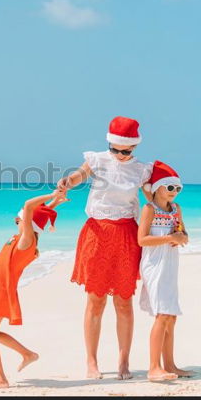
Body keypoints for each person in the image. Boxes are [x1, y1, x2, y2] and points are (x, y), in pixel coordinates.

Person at [57, 116, 154, 380]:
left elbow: (153, 200)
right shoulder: (98, 160)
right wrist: (69, 181)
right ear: (109, 144)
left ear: (134, 147)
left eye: (126, 151)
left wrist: (172, 222)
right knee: (96, 300)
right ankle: (91, 361)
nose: (120, 155)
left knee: (123, 301)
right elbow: (80, 175)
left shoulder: (142, 170)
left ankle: (124, 362)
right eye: (115, 149)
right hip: (97, 233)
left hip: (126, 234)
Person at [0, 189, 68, 389]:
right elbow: (36, 215)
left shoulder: (26, 241)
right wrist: (54, 204)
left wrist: (52, 194)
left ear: (26, 222)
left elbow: (28, 206)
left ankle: (1, 379)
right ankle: (27, 354)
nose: (16, 219)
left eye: (19, 218)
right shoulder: (24, 238)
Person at [138, 160, 194, 381]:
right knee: (162, 314)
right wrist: (170, 237)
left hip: (170, 263)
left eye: (177, 188)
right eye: (170, 187)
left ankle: (170, 365)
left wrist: (180, 237)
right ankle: (154, 368)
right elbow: (142, 240)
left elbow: (184, 234)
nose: (174, 192)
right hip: (154, 264)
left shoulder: (176, 209)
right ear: (157, 187)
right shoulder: (149, 209)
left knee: (170, 316)